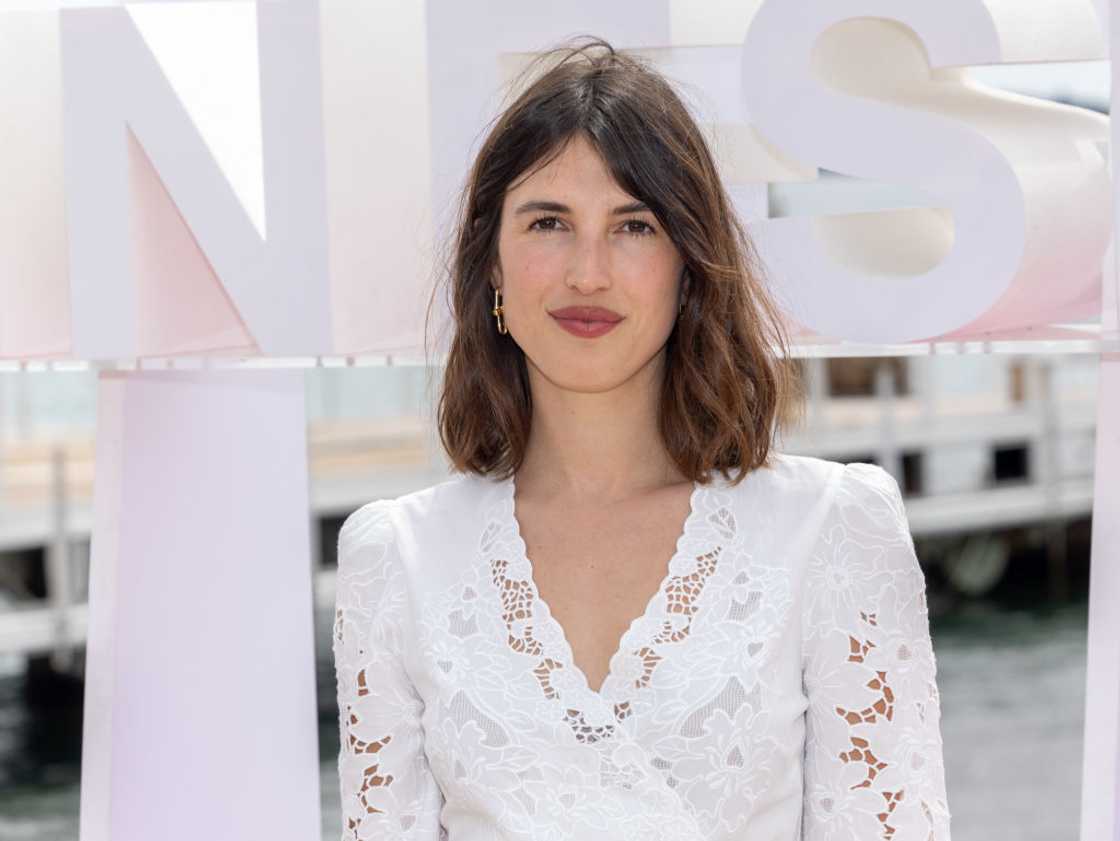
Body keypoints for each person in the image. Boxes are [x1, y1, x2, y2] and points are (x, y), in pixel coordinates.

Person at [332, 36, 951, 841]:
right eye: (549, 221)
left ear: (689, 265)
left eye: (634, 226)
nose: (588, 271)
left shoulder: (832, 531)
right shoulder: (395, 560)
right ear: (491, 265)